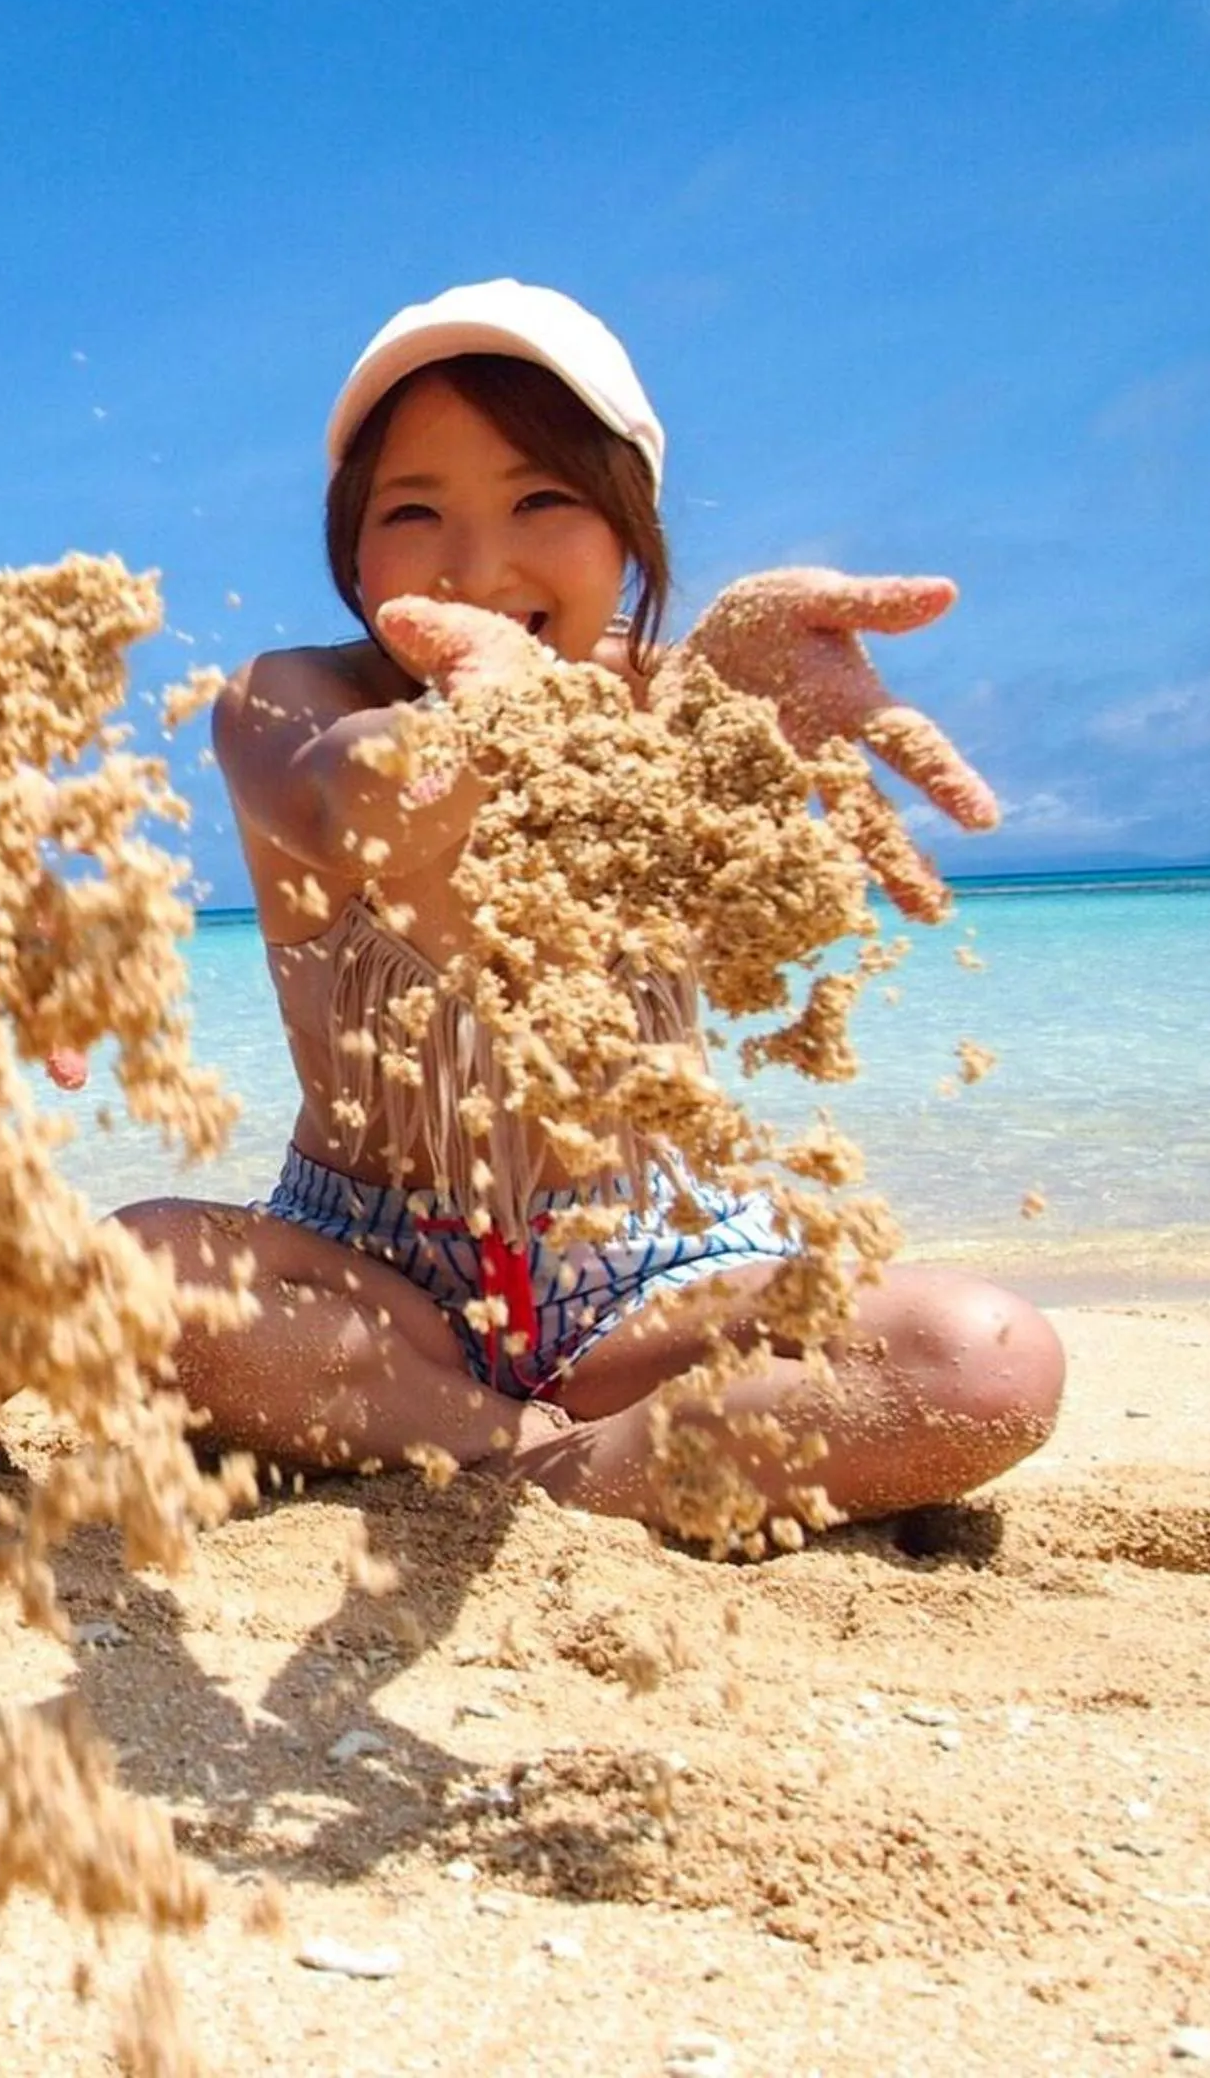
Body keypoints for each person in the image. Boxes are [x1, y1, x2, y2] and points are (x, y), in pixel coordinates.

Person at [119, 278, 1064, 1539]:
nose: (475, 560)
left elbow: (760, 902)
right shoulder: (289, 702)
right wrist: (488, 710)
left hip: (658, 1274)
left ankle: (550, 1473)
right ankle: (552, 1458)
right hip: (370, 1279)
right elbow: (362, 814)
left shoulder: (679, 704)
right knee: (129, 1279)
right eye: (415, 511)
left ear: (626, 531)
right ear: (353, 554)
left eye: (540, 499)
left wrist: (742, 713)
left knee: (987, 1361)